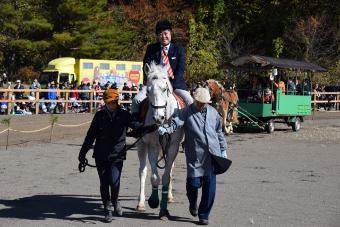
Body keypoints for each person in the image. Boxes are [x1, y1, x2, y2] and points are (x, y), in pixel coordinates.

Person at [78, 89, 156, 223]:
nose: (112, 105)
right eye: (109, 103)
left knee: (114, 182)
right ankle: (108, 208)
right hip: (101, 155)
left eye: (114, 102)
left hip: (117, 155)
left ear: (117, 101)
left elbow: (136, 126)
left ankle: (115, 201)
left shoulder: (124, 115)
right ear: (105, 102)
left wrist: (148, 128)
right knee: (104, 183)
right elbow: (90, 136)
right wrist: (82, 153)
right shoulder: (99, 116)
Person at [158, 87, 227, 225]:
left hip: (212, 155)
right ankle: (193, 203)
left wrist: (223, 149)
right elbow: (175, 123)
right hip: (195, 155)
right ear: (195, 100)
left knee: (210, 188)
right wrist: (166, 129)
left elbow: (219, 132)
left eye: (205, 103)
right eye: (200, 102)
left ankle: (204, 215)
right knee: (193, 185)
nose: (202, 105)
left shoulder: (213, 113)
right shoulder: (185, 112)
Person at [131, 19, 193, 116]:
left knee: (190, 101)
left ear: (170, 33)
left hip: (175, 84)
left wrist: (171, 85)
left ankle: (191, 127)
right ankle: (137, 125)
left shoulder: (179, 49)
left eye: (166, 33)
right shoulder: (151, 49)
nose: (163, 36)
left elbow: (180, 69)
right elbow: (146, 67)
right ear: (157, 36)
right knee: (136, 101)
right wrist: (147, 83)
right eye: (160, 34)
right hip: (155, 84)